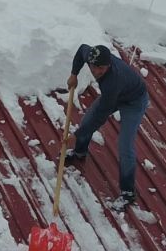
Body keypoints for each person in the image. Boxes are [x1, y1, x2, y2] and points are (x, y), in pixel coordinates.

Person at [63, 44, 150, 210]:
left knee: (125, 144)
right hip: (117, 94)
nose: (96, 71)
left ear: (109, 65)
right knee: (87, 118)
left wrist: (77, 134)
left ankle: (128, 193)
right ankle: (79, 152)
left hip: (134, 101)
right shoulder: (91, 55)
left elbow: (100, 117)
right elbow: (81, 49)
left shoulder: (113, 81)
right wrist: (74, 74)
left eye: (101, 69)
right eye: (94, 67)